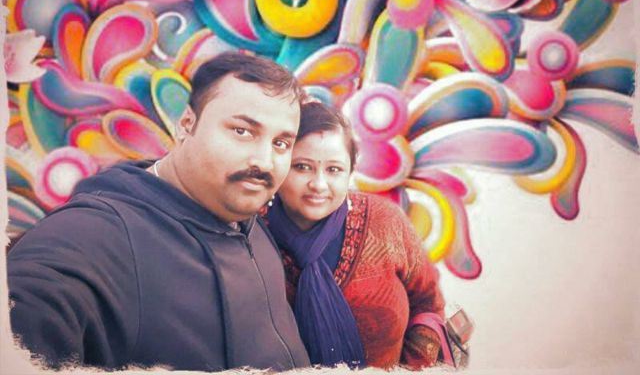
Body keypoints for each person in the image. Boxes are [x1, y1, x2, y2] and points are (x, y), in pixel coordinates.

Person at [7, 52, 310, 371]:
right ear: (187, 125)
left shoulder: (246, 214)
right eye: (242, 131)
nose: (264, 161)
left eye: (281, 143)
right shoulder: (98, 234)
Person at [266, 101, 446, 370]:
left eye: (334, 169)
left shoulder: (386, 222)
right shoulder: (250, 236)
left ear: (350, 172)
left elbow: (428, 303)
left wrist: (412, 366)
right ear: (279, 166)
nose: (319, 184)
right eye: (302, 167)